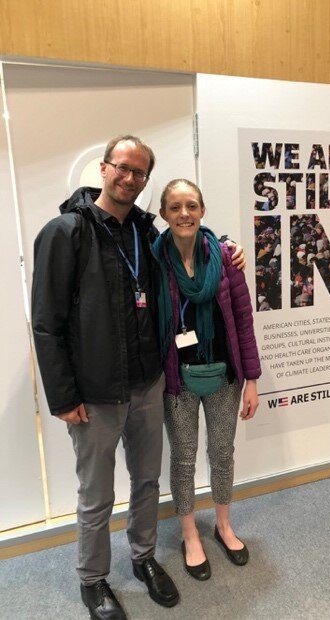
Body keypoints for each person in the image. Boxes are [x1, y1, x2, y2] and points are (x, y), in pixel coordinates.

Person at [31, 136, 244, 620]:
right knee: (96, 492)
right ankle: (93, 579)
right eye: (121, 168)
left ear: (146, 180)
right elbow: (46, 322)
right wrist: (63, 396)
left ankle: (144, 558)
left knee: (147, 481)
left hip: (148, 384)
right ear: (103, 169)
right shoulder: (65, 233)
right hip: (94, 393)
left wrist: (230, 244)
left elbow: (190, 236)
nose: (129, 178)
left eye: (139, 173)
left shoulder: (147, 234)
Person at [152, 179, 261, 582]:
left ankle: (223, 525)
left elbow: (244, 324)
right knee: (182, 458)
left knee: (222, 452)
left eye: (192, 205)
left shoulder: (227, 258)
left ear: (202, 210)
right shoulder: (153, 261)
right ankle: (188, 534)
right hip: (175, 381)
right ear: (164, 214)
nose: (184, 214)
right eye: (176, 207)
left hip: (224, 378)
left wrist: (251, 378)